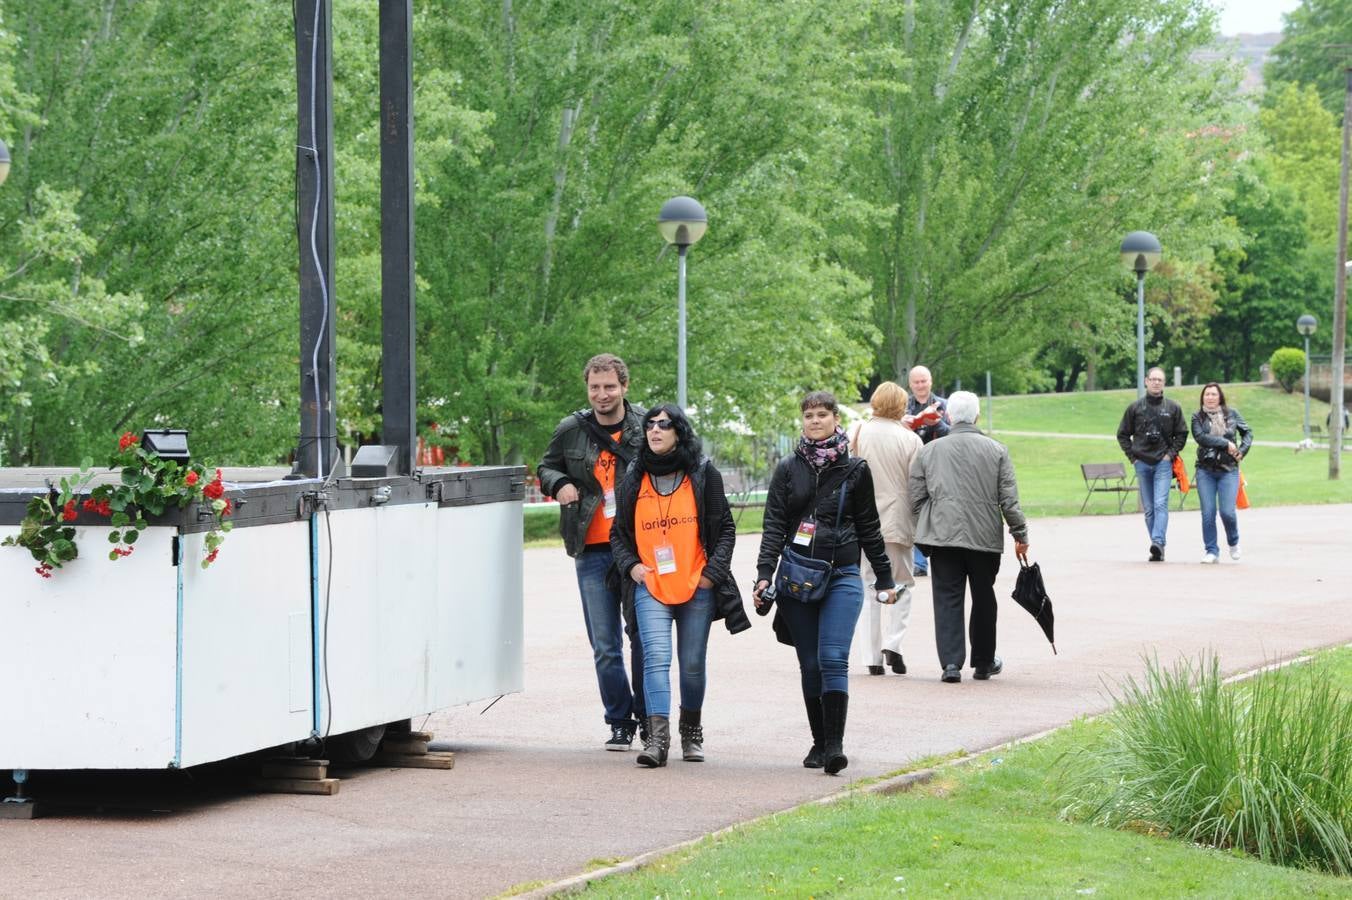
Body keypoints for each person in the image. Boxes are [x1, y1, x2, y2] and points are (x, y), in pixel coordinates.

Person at [754, 391, 895, 775]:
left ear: (835, 419)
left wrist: (884, 576)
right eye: (808, 415)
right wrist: (765, 574)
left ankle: (835, 746)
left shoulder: (856, 469)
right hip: (797, 577)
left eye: (822, 415)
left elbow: (869, 527)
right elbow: (774, 527)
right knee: (810, 664)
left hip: (842, 574)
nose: (815, 421)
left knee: (833, 657)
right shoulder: (788, 469)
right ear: (802, 421)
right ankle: (818, 741)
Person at [610, 405, 748, 768]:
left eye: (664, 424)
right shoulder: (632, 477)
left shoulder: (703, 473)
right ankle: (657, 740)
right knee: (655, 659)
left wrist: (710, 575)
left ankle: (691, 732)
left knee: (691, 664)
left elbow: (726, 532)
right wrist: (633, 568)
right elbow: (618, 535)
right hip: (650, 584)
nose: (655, 430)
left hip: (696, 584)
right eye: (650, 424)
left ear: (679, 432)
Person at [537, 354, 646, 750]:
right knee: (605, 645)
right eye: (595, 387)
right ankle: (619, 720)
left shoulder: (646, 426)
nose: (602, 395)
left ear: (624, 387)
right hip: (591, 549)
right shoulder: (571, 429)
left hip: (637, 551)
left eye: (609, 387)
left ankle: (650, 718)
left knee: (644, 639)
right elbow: (544, 467)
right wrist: (558, 482)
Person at [910, 391, 1029, 684]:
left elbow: (914, 498)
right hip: (984, 536)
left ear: (949, 416)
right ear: (976, 416)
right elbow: (1009, 500)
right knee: (984, 597)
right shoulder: (996, 450)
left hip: (943, 536)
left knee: (947, 598)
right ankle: (984, 661)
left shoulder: (929, 451)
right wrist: (1020, 533)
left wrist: (926, 526)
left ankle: (951, 662)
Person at [848, 381, 922, 676]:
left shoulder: (860, 432)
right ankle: (894, 642)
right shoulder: (910, 439)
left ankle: (872, 657)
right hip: (899, 517)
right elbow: (916, 484)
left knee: (869, 586)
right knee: (903, 582)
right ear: (901, 406)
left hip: (866, 519)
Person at [1115, 367, 1187, 562]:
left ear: (1164, 383)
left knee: (1160, 503)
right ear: (1146, 381)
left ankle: (1157, 541)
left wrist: (1170, 454)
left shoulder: (1173, 408)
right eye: (1153, 379)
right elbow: (1122, 434)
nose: (1156, 383)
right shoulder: (1135, 408)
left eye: (1160, 380)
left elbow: (1182, 434)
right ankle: (1158, 547)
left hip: (1163, 463)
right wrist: (1133, 457)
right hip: (1142, 462)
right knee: (1149, 508)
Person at [1191, 383, 1253, 564]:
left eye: (1213, 394)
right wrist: (1225, 443)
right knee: (1208, 512)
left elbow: (1247, 432)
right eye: (1207, 394)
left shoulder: (1232, 414)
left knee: (1227, 512)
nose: (1210, 397)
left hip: (1228, 470)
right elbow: (1201, 437)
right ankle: (1211, 550)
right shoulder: (1197, 416)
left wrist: (1242, 449)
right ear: (1203, 397)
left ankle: (1233, 541)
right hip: (1205, 470)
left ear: (1220, 397)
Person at [904, 365, 950, 577]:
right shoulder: (903, 407)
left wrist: (938, 423)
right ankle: (919, 563)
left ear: (930, 381)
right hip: (911, 467)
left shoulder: (945, 405)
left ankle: (943, 560)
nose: (920, 385)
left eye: (924, 381)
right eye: (916, 382)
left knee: (941, 513)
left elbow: (954, 435)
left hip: (941, 467)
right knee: (916, 513)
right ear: (910, 384)